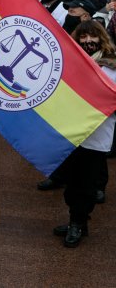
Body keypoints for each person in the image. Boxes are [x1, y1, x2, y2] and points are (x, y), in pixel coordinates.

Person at [52, 20, 116, 247]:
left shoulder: (111, 66)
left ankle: (78, 223)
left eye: (93, 37)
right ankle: (76, 221)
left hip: (95, 135)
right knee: (71, 181)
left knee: (86, 184)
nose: (88, 41)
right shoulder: (71, 62)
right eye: (83, 37)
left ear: (102, 38)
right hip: (70, 133)